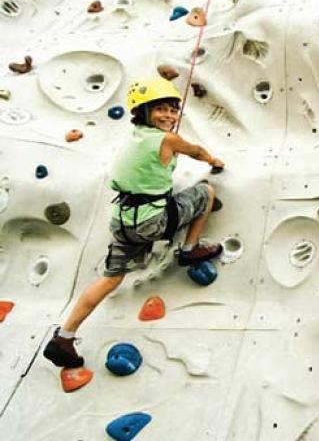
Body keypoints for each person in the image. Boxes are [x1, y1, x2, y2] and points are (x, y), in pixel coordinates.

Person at [43, 77, 226, 368]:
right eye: (161, 110)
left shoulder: (136, 135)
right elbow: (197, 152)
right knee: (206, 193)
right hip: (152, 222)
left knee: (111, 278)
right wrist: (215, 161)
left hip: (123, 221)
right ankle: (190, 249)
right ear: (144, 112)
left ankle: (65, 336)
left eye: (172, 110)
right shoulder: (168, 138)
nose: (168, 116)